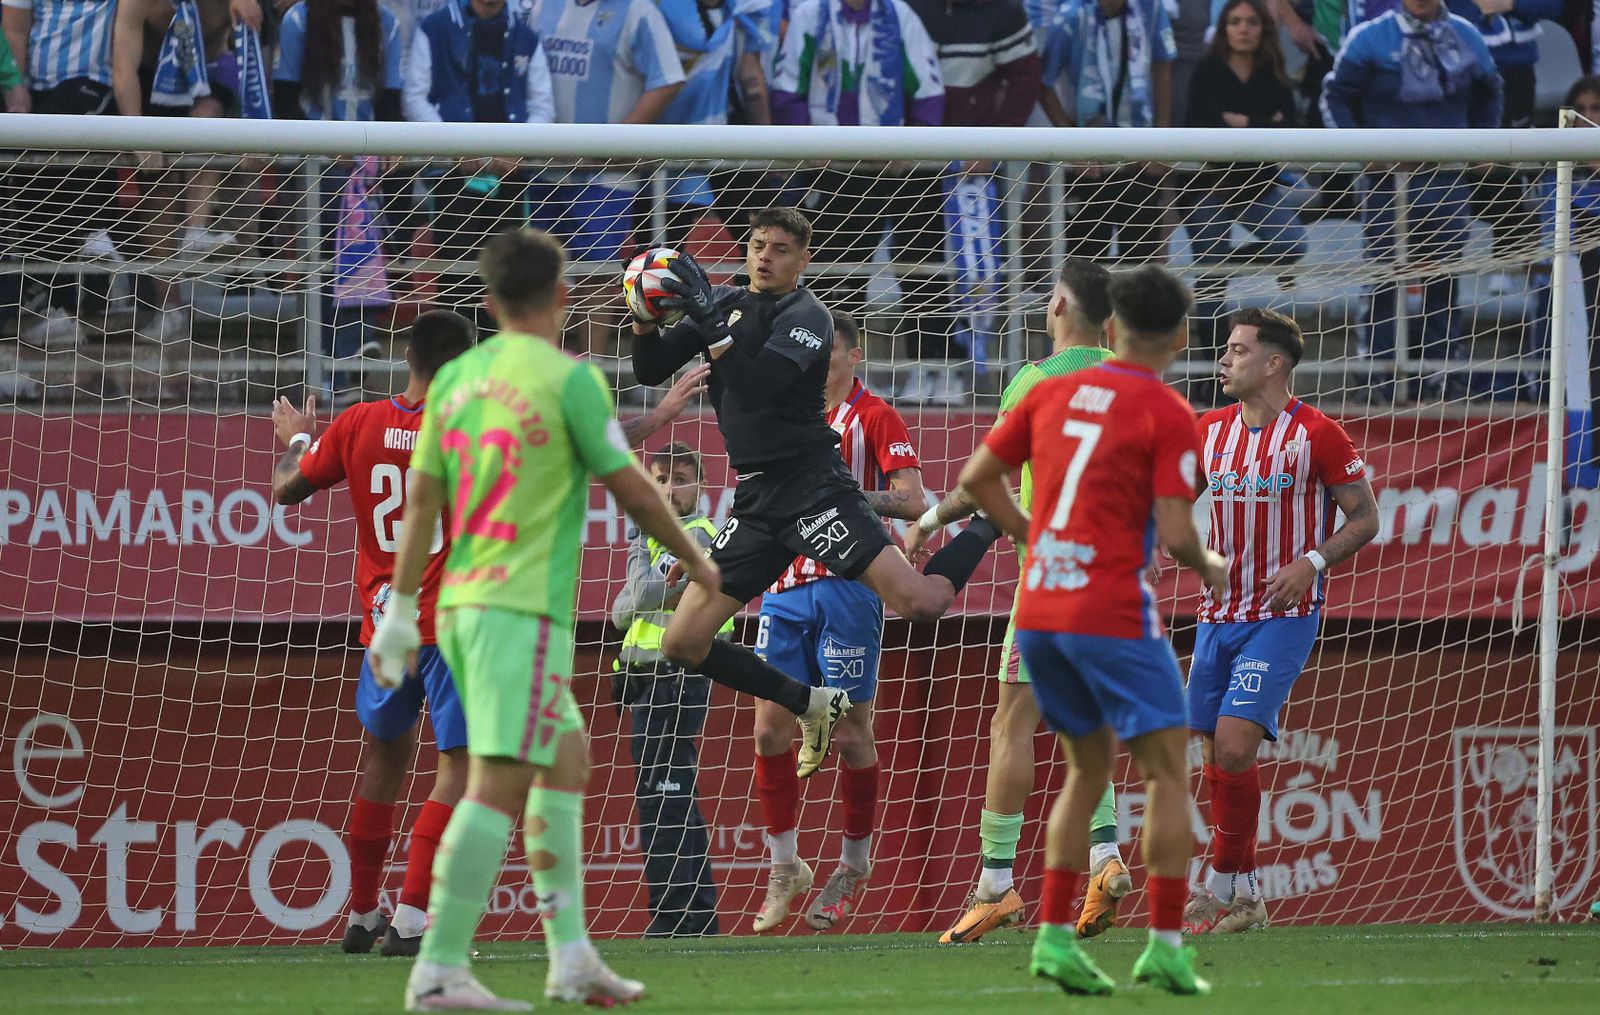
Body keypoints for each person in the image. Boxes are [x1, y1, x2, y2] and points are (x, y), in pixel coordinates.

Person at [369, 229, 721, 1010]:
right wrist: (698, 563)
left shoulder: (455, 381)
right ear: (564, 298)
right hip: (516, 611)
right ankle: (438, 967)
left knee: (566, 758)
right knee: (497, 782)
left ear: (489, 305)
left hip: (461, 604)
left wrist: (398, 610)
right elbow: (631, 486)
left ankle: (570, 956)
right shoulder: (573, 382)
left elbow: (423, 499)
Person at [629, 206, 1001, 779]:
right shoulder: (725, 304)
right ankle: (810, 704)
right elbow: (651, 369)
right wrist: (643, 313)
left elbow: (755, 389)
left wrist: (708, 320)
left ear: (803, 260)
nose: (764, 256)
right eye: (757, 244)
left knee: (922, 604)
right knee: (681, 642)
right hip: (755, 500)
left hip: (813, 486)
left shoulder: (809, 316)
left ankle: (988, 521)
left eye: (780, 248)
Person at [958, 265, 1227, 996]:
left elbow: (980, 478)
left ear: (1109, 328)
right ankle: (1168, 946)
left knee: (1083, 770)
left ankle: (1051, 937)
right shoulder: (1169, 409)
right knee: (1168, 771)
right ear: (1180, 335)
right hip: (1110, 606)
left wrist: (1030, 534)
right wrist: (1213, 563)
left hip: (1039, 605)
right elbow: (1175, 536)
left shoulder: (1047, 386)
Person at [910, 260, 1134, 943]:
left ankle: (996, 884)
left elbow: (986, 479)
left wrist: (927, 521)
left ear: (1060, 302)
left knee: (1012, 723)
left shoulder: (1033, 380)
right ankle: (1105, 855)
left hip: (1050, 579)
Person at [268, 309, 478, 958]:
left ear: (406, 359)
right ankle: (412, 917)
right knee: (462, 767)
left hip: (385, 626)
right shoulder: (468, 429)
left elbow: (286, 492)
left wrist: (300, 443)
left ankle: (361, 913)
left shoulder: (359, 422)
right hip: (448, 622)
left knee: (383, 761)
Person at [1182, 308, 1380, 935]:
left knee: (1237, 743)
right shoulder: (1206, 429)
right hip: (1217, 614)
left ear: (1273, 363)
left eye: (1237, 350)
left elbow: (1365, 519)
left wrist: (1312, 562)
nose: (1224, 360)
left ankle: (1215, 886)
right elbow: (1168, 502)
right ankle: (1249, 896)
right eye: (1225, 349)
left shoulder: (1318, 434)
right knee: (1217, 752)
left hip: (1283, 614)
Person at [749, 308, 928, 934]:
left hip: (849, 583)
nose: (813, 366)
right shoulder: (785, 413)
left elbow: (913, 498)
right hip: (782, 585)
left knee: (852, 732)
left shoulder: (875, 416)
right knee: (770, 729)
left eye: (826, 357)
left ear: (854, 357)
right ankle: (784, 864)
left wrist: (846, 497)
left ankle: (854, 863)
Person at [768, 0, 957, 403]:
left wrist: (912, 145)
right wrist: (808, 141)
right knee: (837, 278)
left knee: (922, 270)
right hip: (832, 167)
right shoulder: (809, 16)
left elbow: (928, 90)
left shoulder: (902, 17)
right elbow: (785, 92)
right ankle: (826, 372)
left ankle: (937, 373)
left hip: (899, 167)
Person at [1320, 0, 1502, 400]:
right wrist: (1361, 150)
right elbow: (1334, 97)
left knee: (1445, 276)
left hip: (1447, 178)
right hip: (1385, 180)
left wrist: (1486, 141)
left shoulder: (1467, 35)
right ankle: (1378, 378)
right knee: (1383, 278)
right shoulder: (1368, 37)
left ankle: (1441, 376)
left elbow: (1491, 92)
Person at [609, 441, 725, 939]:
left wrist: (637, 538)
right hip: (648, 680)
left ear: (701, 487)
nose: (670, 489)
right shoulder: (657, 544)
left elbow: (647, 595)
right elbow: (620, 614)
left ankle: (687, 917)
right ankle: (677, 914)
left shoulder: (695, 533)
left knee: (669, 796)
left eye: (680, 478)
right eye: (659, 480)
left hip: (677, 675)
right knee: (660, 799)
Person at [902, 0, 1040, 402]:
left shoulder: (1003, 11)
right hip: (914, 156)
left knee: (971, 266)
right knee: (916, 263)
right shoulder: (908, 8)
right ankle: (919, 365)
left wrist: (994, 141)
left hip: (972, 165)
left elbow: (1025, 77)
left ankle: (956, 368)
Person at [276, 0, 406, 400]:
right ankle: (338, 360)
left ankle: (350, 358)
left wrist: (384, 149)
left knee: (374, 215)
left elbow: (390, 104)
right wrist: (329, 146)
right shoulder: (298, 19)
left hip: (366, 164)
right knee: (329, 230)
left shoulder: (388, 24)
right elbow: (285, 102)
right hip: (313, 160)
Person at [1, 0, 149, 350]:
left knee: (55, 165)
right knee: (18, 183)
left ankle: (51, 291)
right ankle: (36, 300)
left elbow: (142, 28)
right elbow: (15, 29)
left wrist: (139, 131)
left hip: (90, 83)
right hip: (37, 88)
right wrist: (16, 91)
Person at [402, 0, 555, 267]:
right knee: (455, 277)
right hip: (450, 176)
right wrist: (455, 146)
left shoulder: (526, 36)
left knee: (511, 276)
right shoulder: (433, 28)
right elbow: (414, 99)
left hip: (510, 178)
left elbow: (542, 107)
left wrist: (517, 149)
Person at [1039, 0, 1178, 265]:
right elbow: (1042, 82)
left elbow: (1163, 65)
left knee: (1142, 265)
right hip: (1090, 163)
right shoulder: (1070, 16)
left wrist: (1161, 138)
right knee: (1087, 263)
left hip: (1140, 159)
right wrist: (1072, 141)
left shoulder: (1152, 9)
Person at [1184, 0, 1305, 266]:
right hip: (1211, 186)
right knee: (1209, 273)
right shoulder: (1207, 70)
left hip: (1259, 185)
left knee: (1292, 244)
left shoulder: (1272, 72)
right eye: (1235, 22)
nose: (1243, 29)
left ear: (1263, 29)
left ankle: (1226, 263)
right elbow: (1201, 125)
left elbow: (1288, 128)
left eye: (1252, 22)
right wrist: (1264, 122)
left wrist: (1244, 121)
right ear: (1224, 28)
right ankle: (1214, 272)